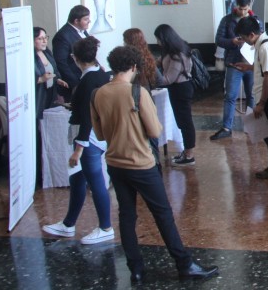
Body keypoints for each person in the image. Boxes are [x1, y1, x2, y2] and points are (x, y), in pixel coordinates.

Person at [90, 46, 218, 283]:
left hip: (115, 163)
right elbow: (154, 130)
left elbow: (98, 133)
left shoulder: (98, 93)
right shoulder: (137, 93)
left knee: (127, 215)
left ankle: (135, 269)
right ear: (134, 67)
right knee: (163, 214)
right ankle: (184, 264)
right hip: (141, 163)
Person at [42, 36, 113, 245]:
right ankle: (69, 223)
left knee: (95, 180)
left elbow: (86, 116)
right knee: (78, 178)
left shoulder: (87, 82)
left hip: (88, 138)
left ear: (75, 58)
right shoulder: (100, 74)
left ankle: (106, 226)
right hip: (98, 135)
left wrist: (78, 149)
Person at [237, 16, 268, 179]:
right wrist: (250, 67)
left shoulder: (265, 47)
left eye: (243, 37)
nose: (243, 41)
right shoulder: (261, 45)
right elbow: (264, 68)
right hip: (265, 97)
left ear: (251, 34)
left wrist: (262, 103)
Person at [211, 0, 255, 140]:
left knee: (252, 95)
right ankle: (226, 127)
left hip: (250, 63)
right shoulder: (227, 20)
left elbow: (259, 37)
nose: (243, 12)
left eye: (246, 9)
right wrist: (232, 42)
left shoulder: (255, 19)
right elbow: (218, 40)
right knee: (230, 96)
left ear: (249, 6)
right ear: (236, 6)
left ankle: (253, 125)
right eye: (241, 9)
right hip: (233, 62)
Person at [153, 24, 196, 166]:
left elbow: (167, 79)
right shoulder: (172, 51)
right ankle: (186, 152)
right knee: (181, 121)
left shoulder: (177, 55)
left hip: (181, 89)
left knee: (185, 122)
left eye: (158, 39)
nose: (157, 42)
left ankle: (189, 155)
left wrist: (153, 69)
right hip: (177, 89)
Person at [52, 5, 92, 99]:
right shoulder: (62, 36)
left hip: (86, 76)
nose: (89, 21)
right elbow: (61, 62)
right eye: (86, 19)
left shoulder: (83, 31)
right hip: (75, 81)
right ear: (76, 21)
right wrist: (75, 83)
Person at [34, 26, 67, 114]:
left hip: (50, 93)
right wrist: (41, 79)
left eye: (45, 38)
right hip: (38, 95)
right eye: (40, 39)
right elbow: (26, 79)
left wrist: (57, 79)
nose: (45, 41)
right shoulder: (30, 58)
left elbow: (53, 70)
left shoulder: (47, 52)